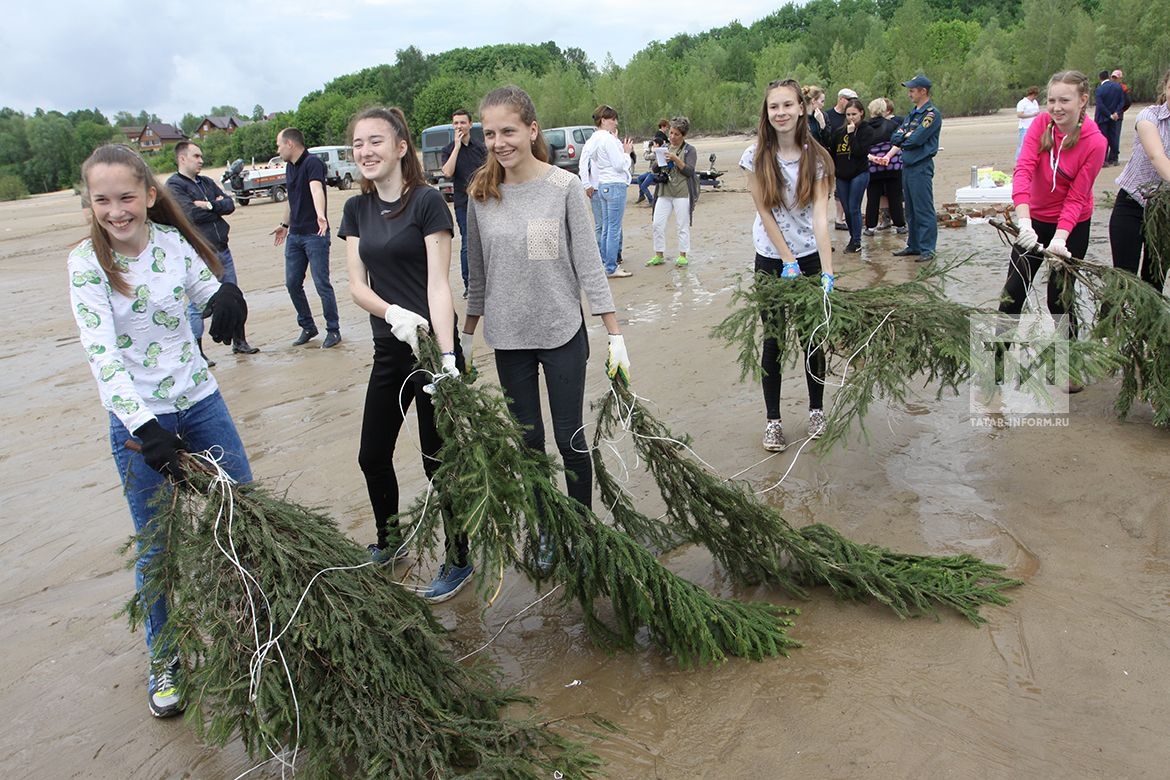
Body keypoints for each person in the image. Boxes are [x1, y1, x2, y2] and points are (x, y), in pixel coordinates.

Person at [68, 143, 252, 718]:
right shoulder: (86, 264)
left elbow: (206, 292)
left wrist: (229, 296)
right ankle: (166, 658)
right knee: (157, 547)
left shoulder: (172, 245)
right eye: (103, 200)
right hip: (138, 424)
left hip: (200, 402)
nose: (116, 211)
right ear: (90, 203)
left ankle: (256, 630)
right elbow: (103, 358)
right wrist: (148, 430)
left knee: (244, 511)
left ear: (149, 195)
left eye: (127, 197)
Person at [462, 85, 629, 561]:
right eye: (490, 133)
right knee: (528, 442)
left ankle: (579, 527)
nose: (499, 142)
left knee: (568, 438)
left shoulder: (564, 187)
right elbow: (478, 274)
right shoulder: (481, 193)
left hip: (561, 332)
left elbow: (588, 265)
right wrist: (468, 337)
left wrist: (614, 334)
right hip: (508, 339)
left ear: (532, 130)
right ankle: (545, 528)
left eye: (508, 130)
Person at [337, 107, 473, 602]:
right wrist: (393, 313)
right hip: (390, 348)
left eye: (376, 141)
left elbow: (440, 285)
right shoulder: (356, 211)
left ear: (400, 148)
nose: (366, 151)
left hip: (433, 350)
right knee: (372, 454)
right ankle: (391, 542)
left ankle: (459, 558)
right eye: (358, 144)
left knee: (440, 463)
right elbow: (355, 286)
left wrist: (447, 357)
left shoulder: (429, 202)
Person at [739, 78, 836, 451]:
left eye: (787, 105)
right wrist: (786, 260)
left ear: (802, 108)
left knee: (813, 336)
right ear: (767, 113)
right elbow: (764, 212)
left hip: (810, 258)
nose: (780, 113)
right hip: (771, 258)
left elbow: (820, 220)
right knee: (774, 339)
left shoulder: (819, 159)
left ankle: (816, 410)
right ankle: (773, 421)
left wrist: (827, 271)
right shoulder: (756, 157)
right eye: (773, 107)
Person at [1000, 70, 1106, 393]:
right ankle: (992, 366)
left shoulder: (1095, 142)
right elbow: (1023, 170)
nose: (1057, 107)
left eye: (1065, 100)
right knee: (1012, 293)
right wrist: (1024, 222)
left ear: (1082, 100)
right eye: (1052, 100)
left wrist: (1060, 239)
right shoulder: (1039, 125)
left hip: (1072, 225)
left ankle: (1068, 367)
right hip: (1034, 218)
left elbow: (1077, 196)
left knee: (1059, 298)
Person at [166, 141, 259, 357]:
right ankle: (198, 352)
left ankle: (240, 341)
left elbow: (229, 204)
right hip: (199, 253)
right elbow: (189, 214)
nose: (201, 160)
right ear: (182, 158)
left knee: (233, 296)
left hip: (222, 249)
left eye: (201, 156)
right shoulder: (174, 187)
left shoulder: (206, 182)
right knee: (198, 304)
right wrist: (213, 206)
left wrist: (208, 205)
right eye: (196, 156)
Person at [271, 127, 341, 348]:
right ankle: (308, 326)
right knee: (292, 283)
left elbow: (316, 190)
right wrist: (284, 225)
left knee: (322, 284)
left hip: (315, 234)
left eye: (279, 144)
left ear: (290, 144)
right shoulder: (289, 167)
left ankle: (333, 329)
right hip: (295, 236)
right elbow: (292, 200)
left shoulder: (312, 163)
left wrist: (321, 215)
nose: (277, 149)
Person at [1109, 68, 1170, 290]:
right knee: (1123, 281)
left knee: (1154, 284)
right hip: (1132, 205)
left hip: (1165, 214)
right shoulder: (1149, 116)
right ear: (1165, 88)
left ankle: (1145, 326)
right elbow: (1156, 156)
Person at [874, 74, 942, 262]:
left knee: (924, 208)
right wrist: (906, 136)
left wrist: (906, 137)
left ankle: (928, 248)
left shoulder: (931, 114)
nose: (909, 93)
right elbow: (896, 137)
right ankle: (914, 245)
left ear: (923, 91)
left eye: (912, 90)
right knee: (910, 209)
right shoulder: (913, 114)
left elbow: (916, 139)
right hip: (908, 165)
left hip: (921, 165)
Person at [579, 104, 635, 278]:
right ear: (603, 120)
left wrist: (587, 183)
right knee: (613, 228)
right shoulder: (607, 139)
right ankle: (611, 266)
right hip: (614, 184)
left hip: (602, 184)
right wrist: (626, 153)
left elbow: (584, 160)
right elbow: (619, 165)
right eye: (613, 119)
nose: (615, 123)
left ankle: (606, 263)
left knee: (605, 228)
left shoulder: (593, 139)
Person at [439, 108, 487, 299]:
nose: (459, 126)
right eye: (456, 123)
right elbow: (447, 172)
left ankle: (486, 281)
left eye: (462, 122)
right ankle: (469, 285)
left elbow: (489, 171)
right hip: (463, 203)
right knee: (468, 243)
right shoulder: (448, 149)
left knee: (486, 241)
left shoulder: (480, 148)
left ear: (470, 124)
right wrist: (457, 147)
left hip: (483, 201)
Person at [645, 116, 699, 268]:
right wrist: (659, 157)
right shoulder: (666, 147)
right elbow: (655, 169)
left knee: (682, 224)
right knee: (657, 223)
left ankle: (683, 254)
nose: (672, 137)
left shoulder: (689, 150)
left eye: (676, 134)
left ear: (683, 135)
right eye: (671, 133)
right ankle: (659, 254)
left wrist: (676, 159)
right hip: (664, 191)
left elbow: (690, 171)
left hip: (682, 191)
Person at [829, 97, 877, 254]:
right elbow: (833, 153)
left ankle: (856, 241)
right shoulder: (838, 133)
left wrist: (851, 135)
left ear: (861, 113)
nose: (851, 118)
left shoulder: (866, 130)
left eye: (854, 114)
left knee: (854, 207)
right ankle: (852, 236)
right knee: (847, 209)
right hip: (842, 175)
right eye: (848, 114)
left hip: (859, 173)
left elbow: (859, 151)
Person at [862, 98, 906, 237]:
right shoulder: (892, 125)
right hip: (892, 165)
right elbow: (899, 142)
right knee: (895, 196)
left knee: (873, 197)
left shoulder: (864, 127)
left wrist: (874, 158)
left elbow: (861, 146)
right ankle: (900, 225)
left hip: (873, 167)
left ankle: (870, 227)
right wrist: (887, 156)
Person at [1095, 70, 1125, 167]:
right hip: (1115, 117)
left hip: (1103, 118)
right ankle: (1115, 158)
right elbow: (1122, 102)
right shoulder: (1118, 87)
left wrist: (1109, 114)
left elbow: (1100, 105)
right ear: (1108, 76)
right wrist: (1116, 112)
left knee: (1103, 138)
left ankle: (1104, 160)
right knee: (1114, 137)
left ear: (1100, 78)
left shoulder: (1099, 89)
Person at [636, 120, 670, 207]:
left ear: (658, 145)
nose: (652, 145)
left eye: (654, 144)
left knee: (643, 186)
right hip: (651, 171)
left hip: (654, 173)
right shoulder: (659, 147)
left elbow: (646, 157)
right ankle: (642, 196)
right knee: (639, 178)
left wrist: (646, 149)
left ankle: (651, 200)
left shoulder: (657, 152)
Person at [1015, 86, 1041, 161]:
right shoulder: (1022, 103)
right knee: (1022, 144)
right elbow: (1019, 115)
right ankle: (1018, 160)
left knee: (1035, 144)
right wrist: (1032, 115)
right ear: (1032, 94)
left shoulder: (1035, 102)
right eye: (1035, 95)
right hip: (1025, 127)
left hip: (1034, 126)